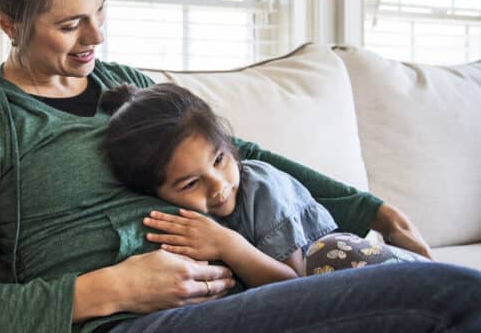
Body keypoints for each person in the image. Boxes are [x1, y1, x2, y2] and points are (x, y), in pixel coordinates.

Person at [0, 0, 481, 333]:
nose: (97, 37)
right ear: (8, 22)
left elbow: (240, 155)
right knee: (442, 297)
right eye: (70, 25)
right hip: (134, 323)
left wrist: (371, 207)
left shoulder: (129, 85)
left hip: (243, 292)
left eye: (100, 11)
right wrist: (111, 289)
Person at [101, 83, 426, 285]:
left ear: (230, 146)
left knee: (327, 254)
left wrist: (228, 245)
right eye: (190, 184)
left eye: (219, 161)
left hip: (351, 266)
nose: (217, 187)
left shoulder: (263, 188)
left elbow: (294, 284)